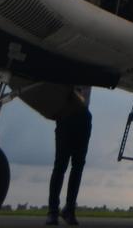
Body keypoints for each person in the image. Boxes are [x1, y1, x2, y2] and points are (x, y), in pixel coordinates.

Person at [47, 86, 92, 226]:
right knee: (60, 166)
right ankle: (53, 211)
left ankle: (68, 209)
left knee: (76, 167)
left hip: (83, 117)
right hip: (66, 116)